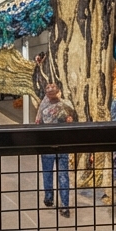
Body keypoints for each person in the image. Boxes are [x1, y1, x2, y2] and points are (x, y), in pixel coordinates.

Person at [37, 82, 77, 217]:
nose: (50, 89)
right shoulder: (45, 105)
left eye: (52, 87)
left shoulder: (64, 104)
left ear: (59, 90)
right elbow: (39, 122)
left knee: (60, 175)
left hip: (58, 145)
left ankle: (62, 204)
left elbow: (72, 116)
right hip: (51, 145)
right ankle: (52, 199)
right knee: (51, 173)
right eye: (48, 87)